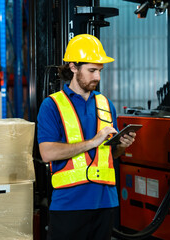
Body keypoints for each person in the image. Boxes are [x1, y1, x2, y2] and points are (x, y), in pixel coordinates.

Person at [37, 34, 136, 240]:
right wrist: (93, 141)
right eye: (91, 71)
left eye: (99, 71)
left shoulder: (106, 104)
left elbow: (111, 154)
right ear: (73, 67)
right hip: (69, 204)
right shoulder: (52, 105)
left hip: (105, 203)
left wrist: (122, 146)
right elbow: (47, 153)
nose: (97, 77)